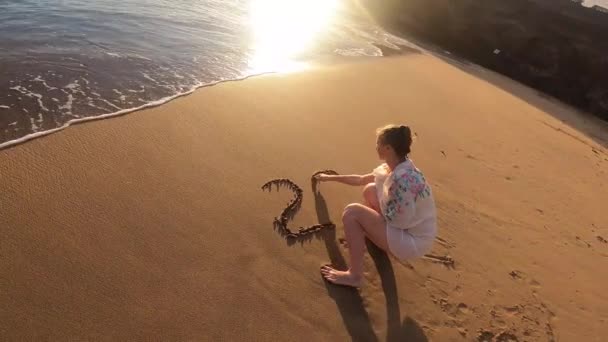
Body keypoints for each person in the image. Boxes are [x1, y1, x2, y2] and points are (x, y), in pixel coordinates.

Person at [315, 124, 437, 287]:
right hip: (405, 225)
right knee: (370, 189)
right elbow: (360, 179)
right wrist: (328, 178)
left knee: (352, 213)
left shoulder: (404, 181)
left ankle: (354, 276)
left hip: (412, 241)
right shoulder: (398, 166)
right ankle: (373, 235)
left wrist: (380, 213)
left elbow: (400, 221)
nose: (376, 147)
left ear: (388, 148)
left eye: (378, 143)